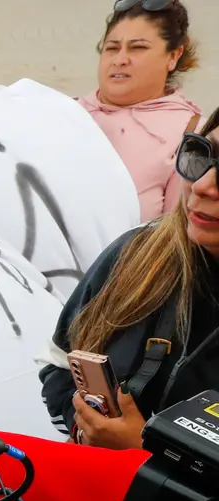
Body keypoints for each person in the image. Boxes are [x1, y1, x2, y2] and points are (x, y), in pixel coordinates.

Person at [41, 106, 219, 450]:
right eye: (201, 155)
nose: (202, 185)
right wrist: (86, 429)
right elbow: (59, 365)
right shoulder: (137, 251)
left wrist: (142, 451)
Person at [78, 0, 202, 222]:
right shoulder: (61, 113)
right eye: (112, 48)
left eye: (138, 48)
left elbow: (176, 238)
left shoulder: (191, 133)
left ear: (173, 56)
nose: (120, 60)